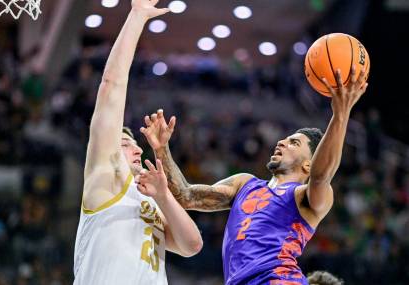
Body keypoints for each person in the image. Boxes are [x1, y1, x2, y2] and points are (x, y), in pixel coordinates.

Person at [139, 67, 368, 284]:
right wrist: (162, 149)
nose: (282, 142)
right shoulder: (244, 183)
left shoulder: (306, 197)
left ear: (309, 165)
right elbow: (187, 197)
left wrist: (340, 114)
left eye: (294, 143)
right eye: (285, 139)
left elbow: (321, 176)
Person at [73, 1, 203, 284]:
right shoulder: (104, 180)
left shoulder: (149, 202)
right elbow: (111, 87)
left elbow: (192, 245)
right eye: (123, 143)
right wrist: (137, 16)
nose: (135, 148)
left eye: (135, 144)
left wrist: (164, 196)